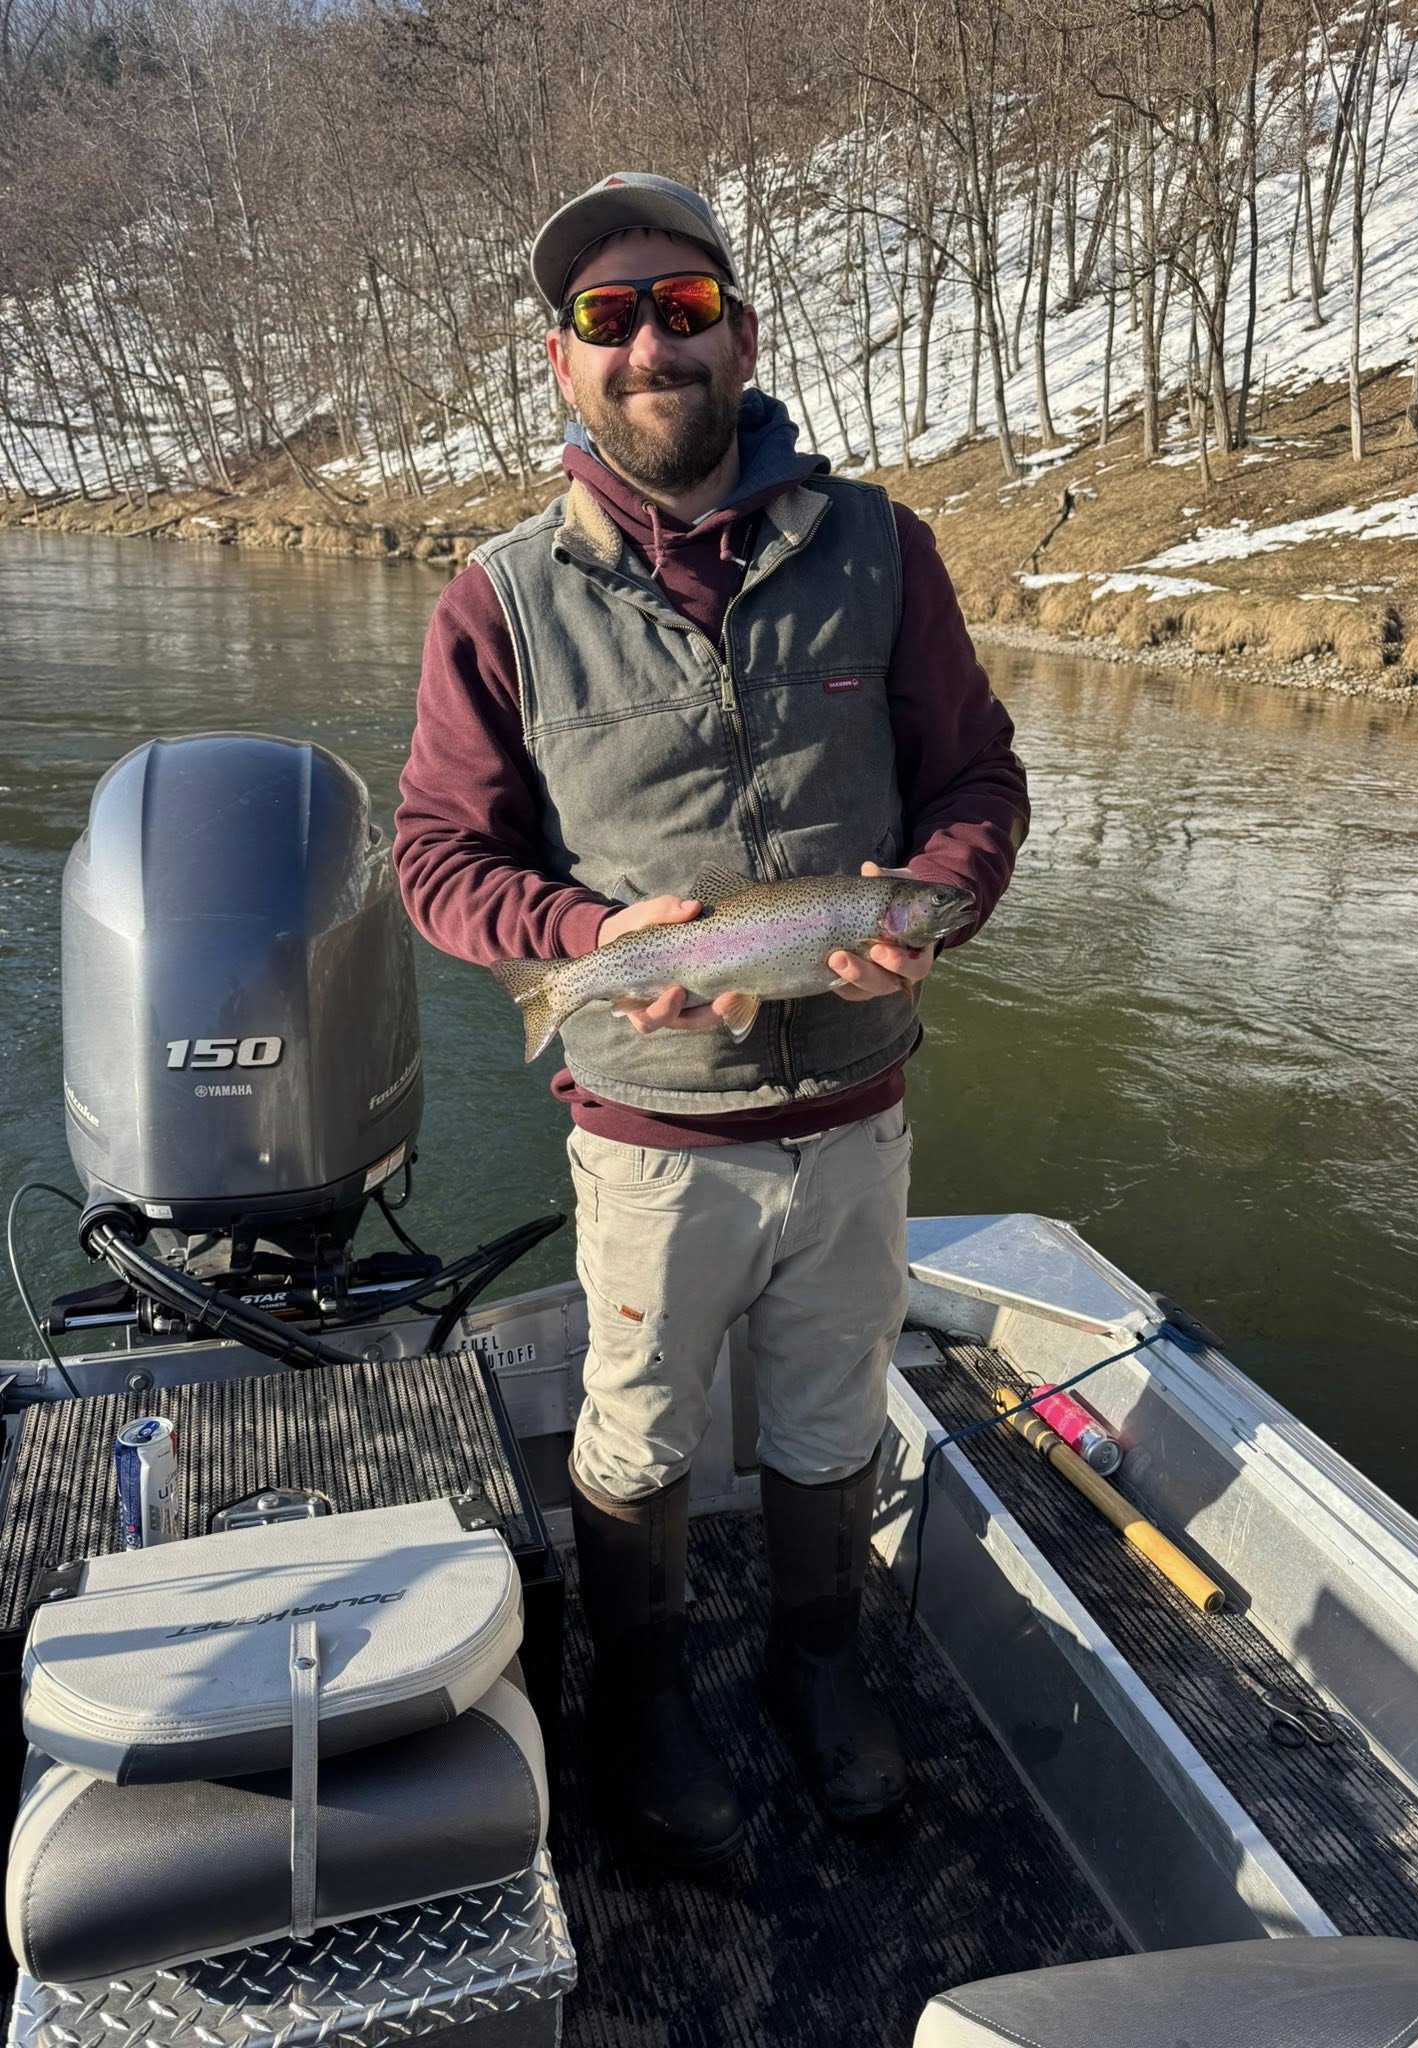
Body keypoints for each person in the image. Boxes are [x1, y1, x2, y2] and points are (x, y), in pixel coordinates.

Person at [395, 173, 1029, 1871]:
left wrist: (937, 901)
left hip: (856, 1118)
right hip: (651, 1137)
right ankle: (645, 1697)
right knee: (637, 1432)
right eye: (608, 318)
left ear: (740, 335)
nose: (650, 344)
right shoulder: (500, 600)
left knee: (833, 1419)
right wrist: (583, 941)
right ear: (562, 362)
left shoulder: (880, 550)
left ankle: (818, 1668)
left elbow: (977, 783)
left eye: (682, 308)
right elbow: (437, 862)